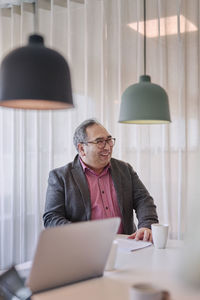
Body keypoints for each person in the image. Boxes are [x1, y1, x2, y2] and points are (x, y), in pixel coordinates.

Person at [43, 119, 158, 241]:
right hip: (84, 247)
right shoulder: (60, 177)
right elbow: (52, 218)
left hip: (126, 244)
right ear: (82, 149)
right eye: (100, 142)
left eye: (109, 140)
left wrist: (146, 225)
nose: (108, 147)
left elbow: (143, 200)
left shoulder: (125, 169)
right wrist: (83, 234)